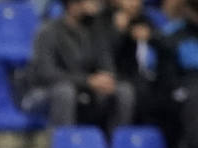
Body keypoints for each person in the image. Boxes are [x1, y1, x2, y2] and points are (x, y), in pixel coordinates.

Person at [17, 0, 136, 130]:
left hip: (84, 90)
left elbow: (105, 62)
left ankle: (115, 146)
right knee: (65, 92)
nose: (95, 4)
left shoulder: (95, 30)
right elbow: (45, 73)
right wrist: (87, 81)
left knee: (123, 91)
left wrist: (106, 78)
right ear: (73, 4)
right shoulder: (48, 31)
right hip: (45, 93)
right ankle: (63, 145)